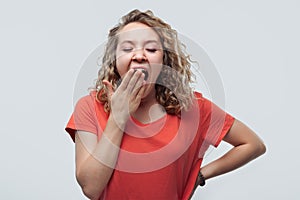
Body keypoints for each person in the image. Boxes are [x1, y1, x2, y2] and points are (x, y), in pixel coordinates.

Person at [65, 9, 266, 200]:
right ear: (114, 59)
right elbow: (91, 188)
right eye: (127, 48)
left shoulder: (192, 108)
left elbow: (253, 144)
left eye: (151, 49)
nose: (139, 55)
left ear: (164, 60)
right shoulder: (89, 107)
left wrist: (201, 175)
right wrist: (118, 117)